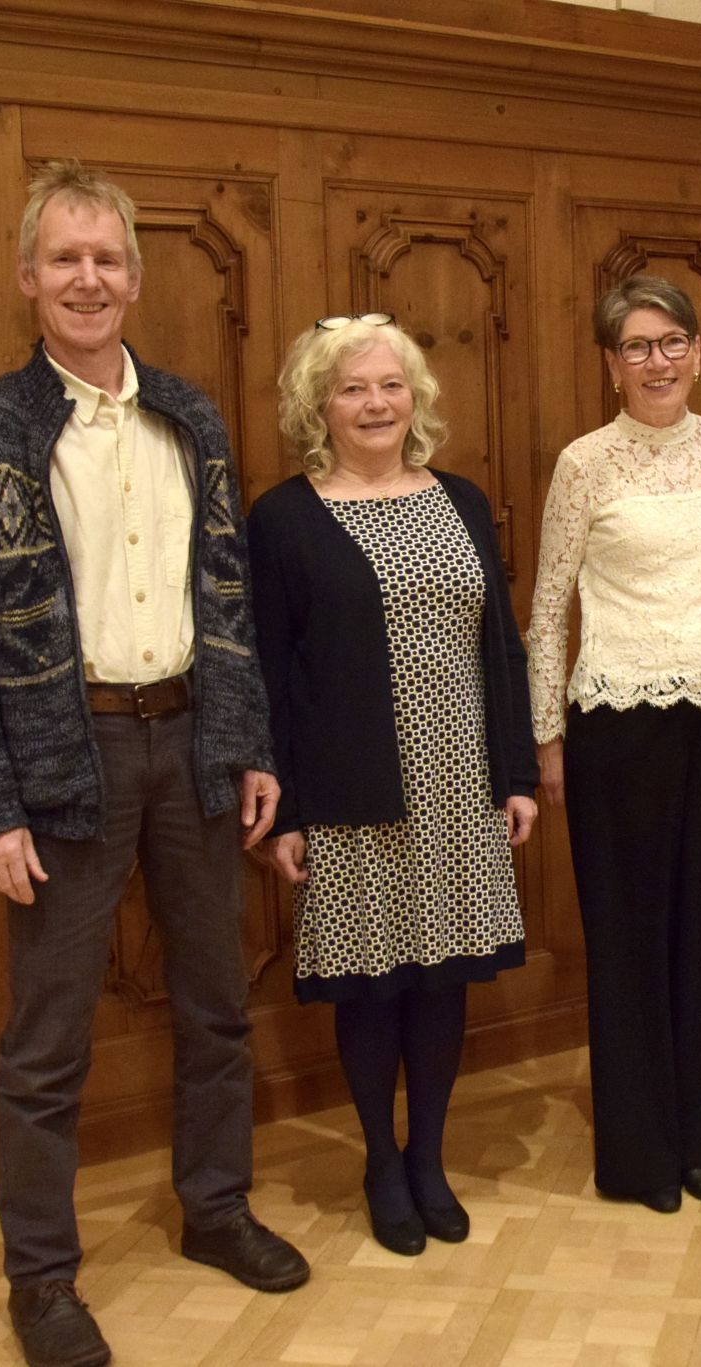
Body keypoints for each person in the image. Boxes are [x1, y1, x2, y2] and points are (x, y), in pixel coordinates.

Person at [0, 160, 307, 1367]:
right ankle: (42, 1277)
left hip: (192, 742)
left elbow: (226, 595)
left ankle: (216, 1208)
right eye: (65, 258)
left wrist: (246, 740)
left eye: (106, 258)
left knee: (216, 1004)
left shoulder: (188, 416)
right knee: (47, 1044)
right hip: (64, 758)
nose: (86, 279)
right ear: (27, 276)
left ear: (135, 277)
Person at [247, 315, 538, 1259]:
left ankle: (430, 1159)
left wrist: (516, 772)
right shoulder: (284, 518)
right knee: (372, 986)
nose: (375, 404)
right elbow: (269, 674)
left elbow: (501, 646)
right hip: (352, 787)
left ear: (416, 397)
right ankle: (381, 1159)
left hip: (461, 784)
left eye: (391, 385)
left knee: (442, 980)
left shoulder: (462, 498)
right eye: (352, 388)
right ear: (318, 406)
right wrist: (288, 810)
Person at [525, 277, 701, 1213]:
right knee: (630, 939)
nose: (656, 360)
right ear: (611, 363)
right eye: (636, 346)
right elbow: (548, 612)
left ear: (700, 352)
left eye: (672, 342)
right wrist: (548, 738)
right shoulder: (584, 463)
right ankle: (641, 1155)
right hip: (618, 723)